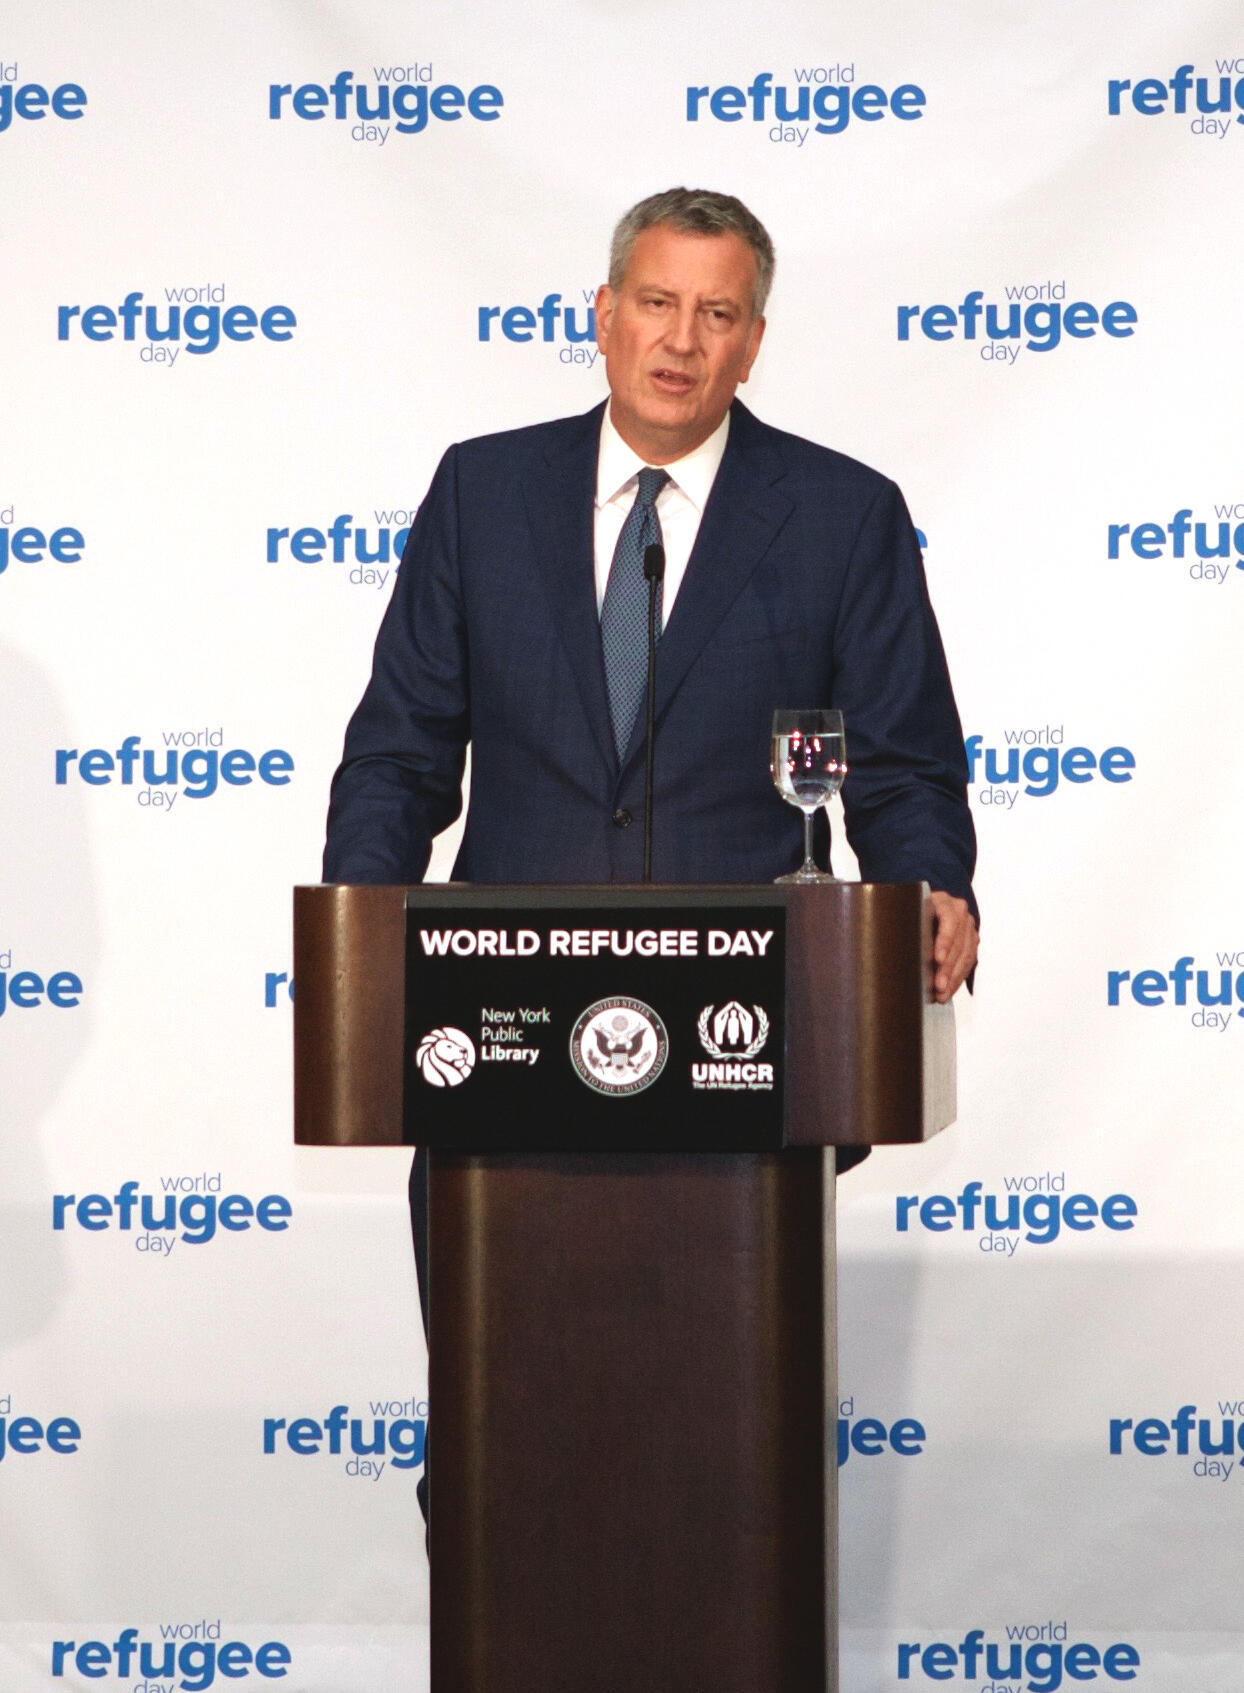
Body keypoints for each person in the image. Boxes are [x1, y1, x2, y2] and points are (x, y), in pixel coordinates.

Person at [322, 185, 979, 1529]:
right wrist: (361, 930)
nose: (683, 340)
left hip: (746, 1061)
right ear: (604, 317)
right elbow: (400, 749)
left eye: (719, 313)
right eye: (660, 304)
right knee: (510, 1453)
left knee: (718, 1466)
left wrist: (938, 885)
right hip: (500, 1049)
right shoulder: (481, 491)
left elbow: (903, 763)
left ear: (754, 342)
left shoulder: (844, 515)